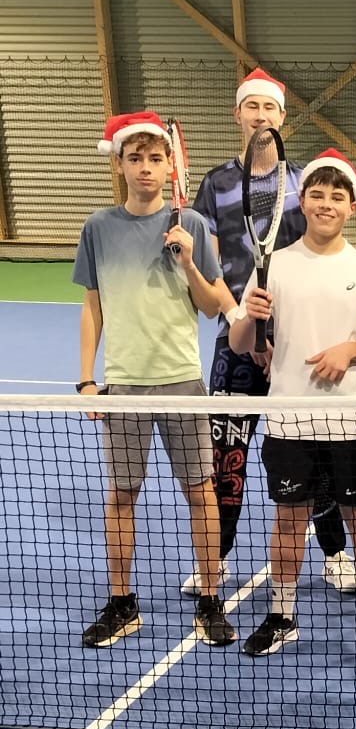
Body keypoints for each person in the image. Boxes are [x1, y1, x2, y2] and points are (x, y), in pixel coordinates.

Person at [188, 66, 356, 597]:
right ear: (237, 114)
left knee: (316, 449)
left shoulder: (304, 183)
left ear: (282, 117)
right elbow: (210, 265)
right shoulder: (215, 184)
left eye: (270, 108)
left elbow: (316, 255)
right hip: (236, 341)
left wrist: (277, 337)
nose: (260, 116)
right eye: (251, 106)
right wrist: (242, 322)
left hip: (295, 344)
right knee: (228, 458)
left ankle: (333, 552)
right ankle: (216, 559)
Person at [230, 150, 356, 666]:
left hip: (351, 421)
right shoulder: (273, 265)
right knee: (288, 520)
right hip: (288, 419)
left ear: (351, 207)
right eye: (317, 195)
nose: (326, 204)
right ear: (302, 202)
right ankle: (282, 615)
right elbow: (241, 343)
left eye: (337, 197)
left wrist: (351, 350)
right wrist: (249, 318)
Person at [75, 111, 237, 649]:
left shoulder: (193, 226)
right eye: (135, 158)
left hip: (183, 382)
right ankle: (122, 603)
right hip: (123, 386)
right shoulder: (97, 228)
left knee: (201, 492)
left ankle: (210, 600)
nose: (145, 167)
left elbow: (213, 306)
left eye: (155, 157)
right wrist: (86, 380)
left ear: (171, 165)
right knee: (121, 495)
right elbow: (92, 307)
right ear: (119, 164)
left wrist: (188, 262)